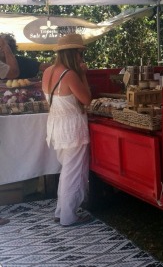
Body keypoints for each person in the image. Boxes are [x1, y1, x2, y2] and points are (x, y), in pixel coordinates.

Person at [42, 33, 93, 227]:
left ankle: (61, 211)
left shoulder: (47, 71)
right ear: (73, 53)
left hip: (56, 125)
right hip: (72, 128)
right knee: (73, 172)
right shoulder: (70, 74)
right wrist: (84, 74)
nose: (81, 57)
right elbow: (87, 99)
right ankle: (68, 216)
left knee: (67, 170)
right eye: (80, 53)